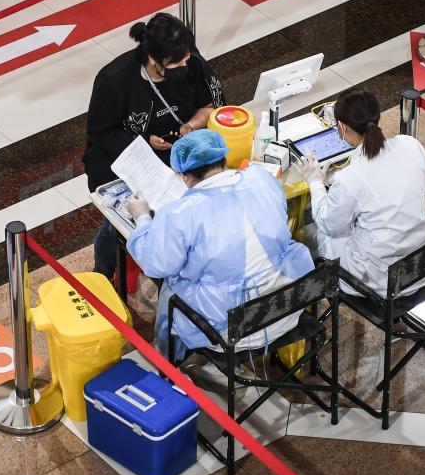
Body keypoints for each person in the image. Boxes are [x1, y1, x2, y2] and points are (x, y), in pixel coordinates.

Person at [125, 130, 314, 361]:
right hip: (288, 306)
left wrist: (142, 218)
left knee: (171, 287)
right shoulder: (261, 180)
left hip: (234, 330)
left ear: (183, 176)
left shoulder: (179, 214)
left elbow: (157, 265)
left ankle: (168, 362)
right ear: (223, 158)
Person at [84, 13, 225, 279]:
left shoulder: (191, 62)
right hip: (129, 159)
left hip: (183, 152)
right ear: (153, 59)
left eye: (187, 57)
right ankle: (104, 270)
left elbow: (213, 105)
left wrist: (191, 126)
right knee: (116, 226)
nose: (187, 63)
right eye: (178, 61)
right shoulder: (115, 81)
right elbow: (100, 132)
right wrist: (144, 142)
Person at [299, 87, 425, 298]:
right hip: (421, 266)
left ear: (342, 128)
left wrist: (315, 181)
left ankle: (305, 303)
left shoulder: (350, 178)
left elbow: (329, 224)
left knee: (315, 233)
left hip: (380, 281)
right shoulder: (409, 145)